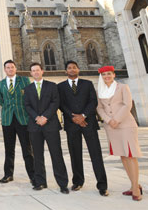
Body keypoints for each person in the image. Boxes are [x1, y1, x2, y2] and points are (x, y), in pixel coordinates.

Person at [58, 61, 108, 196]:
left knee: (96, 154)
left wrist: (83, 116)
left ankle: (102, 185)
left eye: (74, 67)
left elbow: (93, 101)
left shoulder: (87, 84)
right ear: (66, 71)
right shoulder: (60, 86)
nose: (72, 70)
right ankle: (78, 181)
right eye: (69, 68)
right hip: (71, 123)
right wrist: (73, 117)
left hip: (88, 123)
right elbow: (61, 104)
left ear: (78, 69)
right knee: (75, 154)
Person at [96, 66, 143, 201]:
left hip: (125, 124)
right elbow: (99, 108)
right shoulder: (100, 90)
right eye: (104, 74)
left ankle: (135, 188)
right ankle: (134, 184)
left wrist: (117, 119)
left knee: (130, 154)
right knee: (123, 155)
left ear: (114, 74)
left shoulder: (123, 87)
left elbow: (127, 105)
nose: (107, 76)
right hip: (111, 127)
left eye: (109, 74)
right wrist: (109, 120)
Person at [24, 62, 69, 194]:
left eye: (38, 70)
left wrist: (45, 117)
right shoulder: (28, 89)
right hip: (35, 126)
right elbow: (27, 105)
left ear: (42, 71)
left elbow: (55, 102)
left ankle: (62, 183)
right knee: (37, 155)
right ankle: (40, 182)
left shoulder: (52, 86)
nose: (36, 72)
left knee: (56, 154)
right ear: (31, 73)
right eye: (33, 71)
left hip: (50, 125)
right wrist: (37, 118)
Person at [0, 60, 34, 185]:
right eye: (8, 67)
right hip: (8, 120)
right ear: (4, 69)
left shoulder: (24, 81)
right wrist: (9, 107)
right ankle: (8, 174)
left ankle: (33, 175)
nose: (10, 69)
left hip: (22, 118)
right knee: (9, 148)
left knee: (27, 148)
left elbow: (28, 97)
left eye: (12, 67)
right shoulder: (0, 84)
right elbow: (1, 100)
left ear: (15, 68)